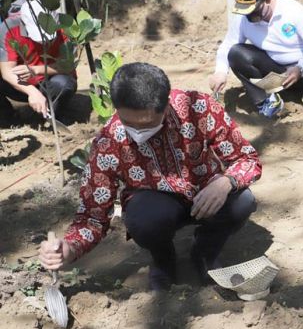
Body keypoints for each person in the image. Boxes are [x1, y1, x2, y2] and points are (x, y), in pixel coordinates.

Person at [38, 63, 262, 291]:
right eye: (128, 123)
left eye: (147, 123)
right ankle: (163, 259)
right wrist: (70, 247)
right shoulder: (109, 141)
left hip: (206, 192)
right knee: (142, 220)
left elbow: (247, 159)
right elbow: (93, 215)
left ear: (166, 105)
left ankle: (204, 251)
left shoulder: (198, 108)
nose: (138, 130)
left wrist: (226, 182)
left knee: (243, 202)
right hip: (156, 204)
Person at [0, 0, 77, 125]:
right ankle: (8, 118)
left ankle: (54, 115)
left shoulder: (65, 28)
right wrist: (32, 91)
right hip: (22, 86)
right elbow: (7, 72)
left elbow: (68, 66)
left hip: (50, 84)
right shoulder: (9, 28)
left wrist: (36, 70)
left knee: (63, 83)